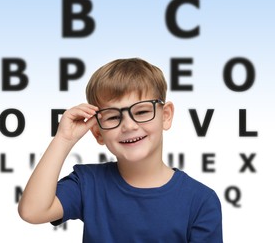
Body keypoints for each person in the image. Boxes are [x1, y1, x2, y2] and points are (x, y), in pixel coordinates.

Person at [18, 58, 223, 242]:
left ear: (166, 115)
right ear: (98, 132)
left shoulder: (201, 200)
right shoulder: (87, 183)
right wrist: (64, 139)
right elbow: (32, 211)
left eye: (142, 111)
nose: (128, 126)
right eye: (113, 117)